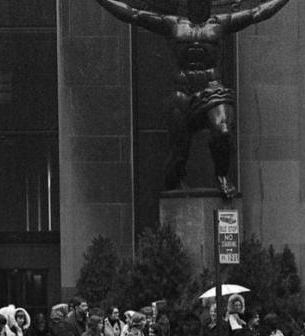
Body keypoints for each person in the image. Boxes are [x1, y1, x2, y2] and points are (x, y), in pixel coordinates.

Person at [90, 0, 293, 199]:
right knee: (178, 152)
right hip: (182, 92)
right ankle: (173, 183)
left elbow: (257, 12)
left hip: (212, 89)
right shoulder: (173, 24)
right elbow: (132, 14)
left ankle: (222, 176)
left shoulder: (221, 23)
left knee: (222, 131)